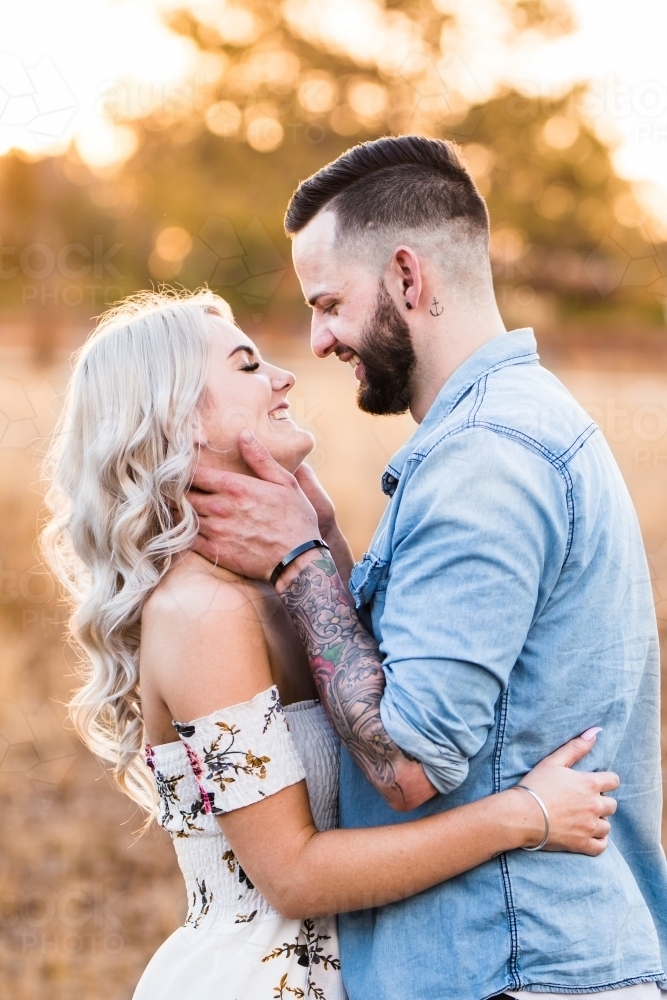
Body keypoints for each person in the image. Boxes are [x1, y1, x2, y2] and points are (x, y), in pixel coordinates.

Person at [187, 137, 667, 1000]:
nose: (318, 338)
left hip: (509, 965)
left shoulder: (483, 459)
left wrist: (299, 565)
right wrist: (328, 544)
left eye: (329, 302)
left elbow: (408, 763)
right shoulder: (519, 425)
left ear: (409, 278)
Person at [41, 290, 617, 1000]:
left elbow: (376, 709)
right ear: (173, 418)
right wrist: (522, 816)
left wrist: (322, 542)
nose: (285, 376)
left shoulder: (266, 587)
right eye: (249, 365)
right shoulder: (200, 613)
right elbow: (292, 876)